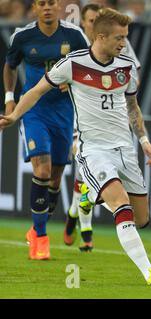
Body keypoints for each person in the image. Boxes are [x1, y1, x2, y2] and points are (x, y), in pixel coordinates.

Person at [0, 8, 151, 286]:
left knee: (142, 220)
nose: (124, 43)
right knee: (121, 205)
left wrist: (144, 140)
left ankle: (88, 197)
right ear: (100, 36)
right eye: (119, 37)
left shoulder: (126, 66)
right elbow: (35, 91)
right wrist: (14, 115)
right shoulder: (72, 64)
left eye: (126, 37)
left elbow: (132, 107)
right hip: (94, 151)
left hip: (125, 150)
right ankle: (149, 271)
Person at [2, 0, 89, 260]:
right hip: (35, 111)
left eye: (52, 2)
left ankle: (36, 228)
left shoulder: (75, 36)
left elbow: (88, 68)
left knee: (55, 177)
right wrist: (10, 97)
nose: (48, 7)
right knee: (41, 168)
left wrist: (73, 83)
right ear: (35, 9)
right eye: (42, 3)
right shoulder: (23, 36)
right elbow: (10, 65)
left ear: (59, 6)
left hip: (64, 112)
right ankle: (40, 238)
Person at [63, 2, 142, 252]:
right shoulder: (75, 46)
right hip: (78, 119)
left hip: (110, 124)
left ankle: (79, 213)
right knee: (83, 168)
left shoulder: (118, 45)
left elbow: (133, 76)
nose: (92, 22)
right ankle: (84, 228)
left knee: (88, 178)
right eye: (89, 20)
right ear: (85, 24)